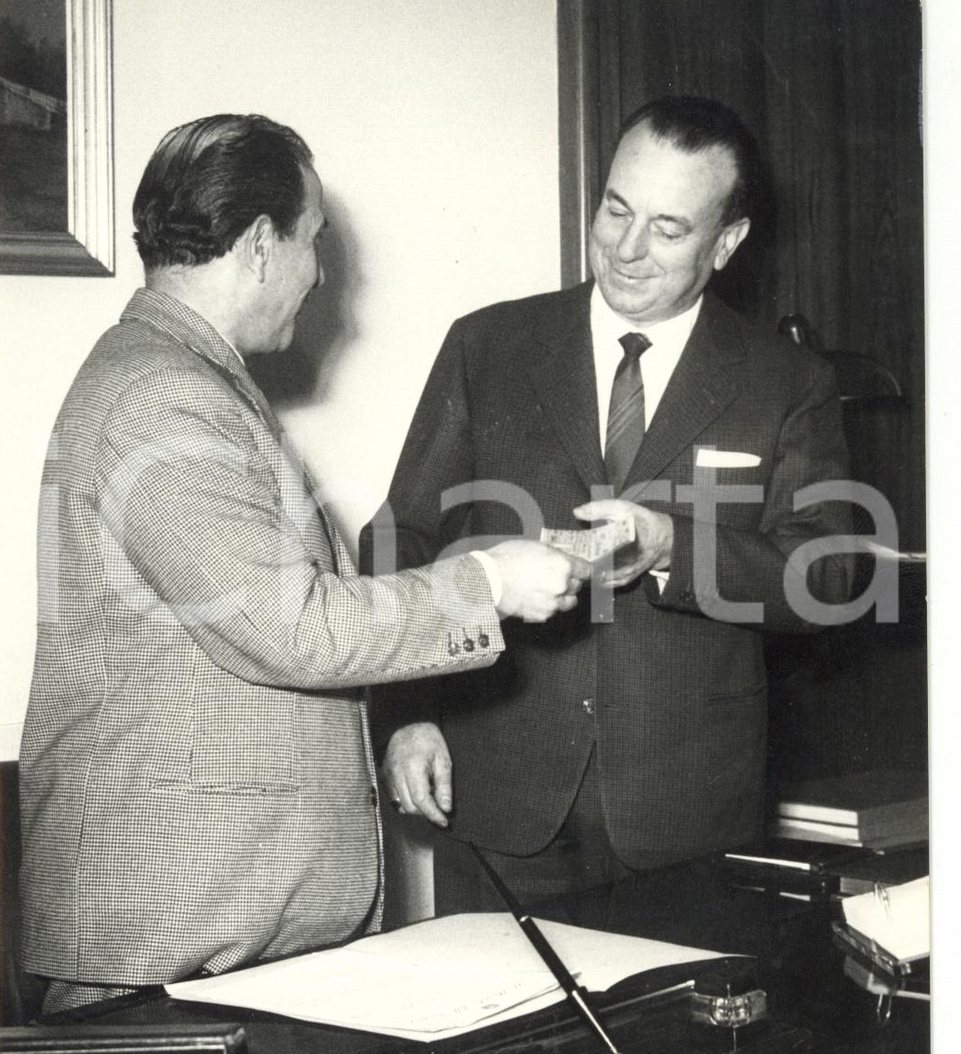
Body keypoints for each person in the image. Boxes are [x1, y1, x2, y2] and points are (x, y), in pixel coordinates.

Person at [18, 113, 588, 1013]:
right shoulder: (162, 396)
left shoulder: (177, 377)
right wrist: (490, 584)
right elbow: (291, 629)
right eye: (313, 241)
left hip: (212, 929)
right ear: (257, 244)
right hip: (177, 938)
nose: (321, 273)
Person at [361, 96, 854, 928]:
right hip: (498, 795)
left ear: (726, 243)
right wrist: (407, 718)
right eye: (617, 210)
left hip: (688, 817)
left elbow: (828, 575)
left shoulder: (785, 381)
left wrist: (671, 545)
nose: (626, 249)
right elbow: (399, 539)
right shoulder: (488, 347)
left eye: (668, 228)